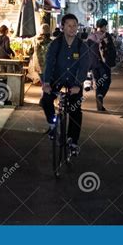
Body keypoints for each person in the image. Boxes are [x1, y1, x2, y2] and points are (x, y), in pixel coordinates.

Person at [41, 14, 90, 156]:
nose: (72, 28)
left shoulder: (82, 45)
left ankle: (73, 141)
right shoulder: (55, 44)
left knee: (75, 110)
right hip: (57, 80)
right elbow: (49, 64)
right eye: (69, 25)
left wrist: (78, 84)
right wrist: (47, 82)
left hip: (74, 82)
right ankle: (52, 124)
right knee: (46, 99)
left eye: (75, 25)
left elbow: (84, 67)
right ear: (62, 27)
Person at [87, 18, 116, 111]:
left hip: (94, 64)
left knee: (98, 83)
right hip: (104, 64)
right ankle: (101, 95)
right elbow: (112, 49)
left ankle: (100, 105)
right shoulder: (106, 36)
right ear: (103, 26)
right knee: (107, 81)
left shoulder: (91, 36)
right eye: (105, 26)